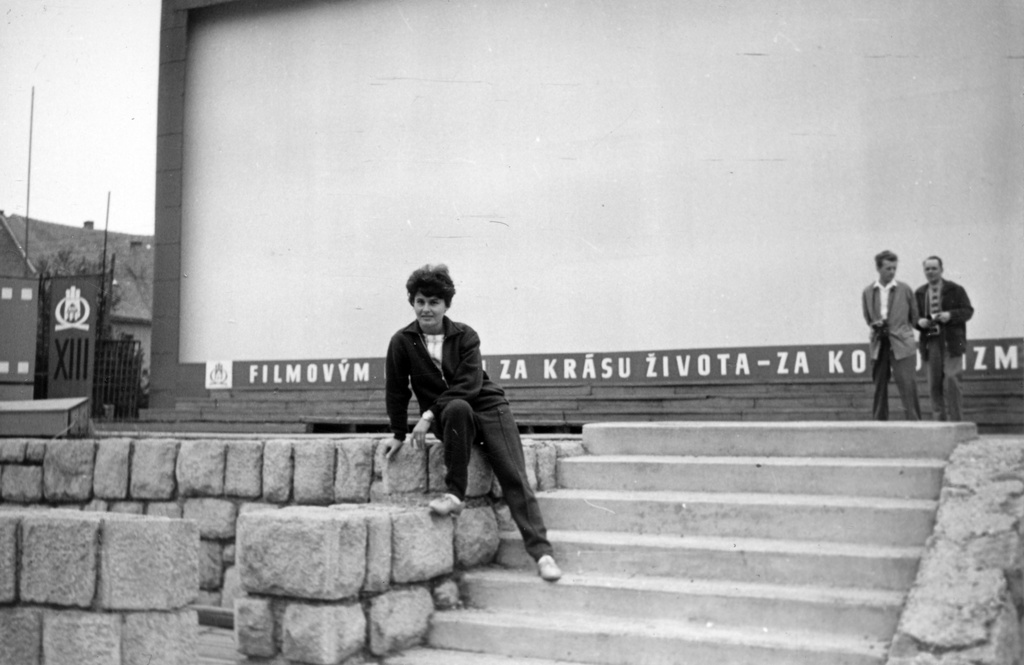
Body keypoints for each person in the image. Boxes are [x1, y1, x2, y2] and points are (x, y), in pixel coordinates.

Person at [382, 264, 562, 582]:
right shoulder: (402, 342)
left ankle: (542, 554)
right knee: (456, 409)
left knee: (513, 475)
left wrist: (425, 416)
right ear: (412, 302)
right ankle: (455, 495)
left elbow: (469, 384)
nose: (426, 308)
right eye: (420, 301)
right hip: (454, 415)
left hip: (490, 408)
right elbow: (397, 389)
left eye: (434, 302)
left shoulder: (465, 335)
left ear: (446, 305)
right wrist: (398, 432)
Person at [861, 250, 921, 421]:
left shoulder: (905, 289)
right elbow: (867, 317)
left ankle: (915, 424)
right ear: (878, 269)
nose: (892, 272)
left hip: (902, 343)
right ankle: (879, 425)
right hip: (879, 343)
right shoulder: (868, 292)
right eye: (888, 268)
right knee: (879, 386)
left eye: (894, 268)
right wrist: (876, 324)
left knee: (908, 386)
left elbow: (915, 317)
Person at [914, 256, 974, 421]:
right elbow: (911, 317)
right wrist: (920, 322)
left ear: (941, 269)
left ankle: (956, 422)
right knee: (934, 384)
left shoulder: (955, 289)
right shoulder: (919, 293)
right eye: (927, 269)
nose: (931, 272)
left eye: (934, 268)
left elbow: (968, 311)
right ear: (924, 271)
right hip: (930, 342)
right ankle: (939, 424)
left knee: (952, 380)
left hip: (951, 341)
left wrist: (950, 315)